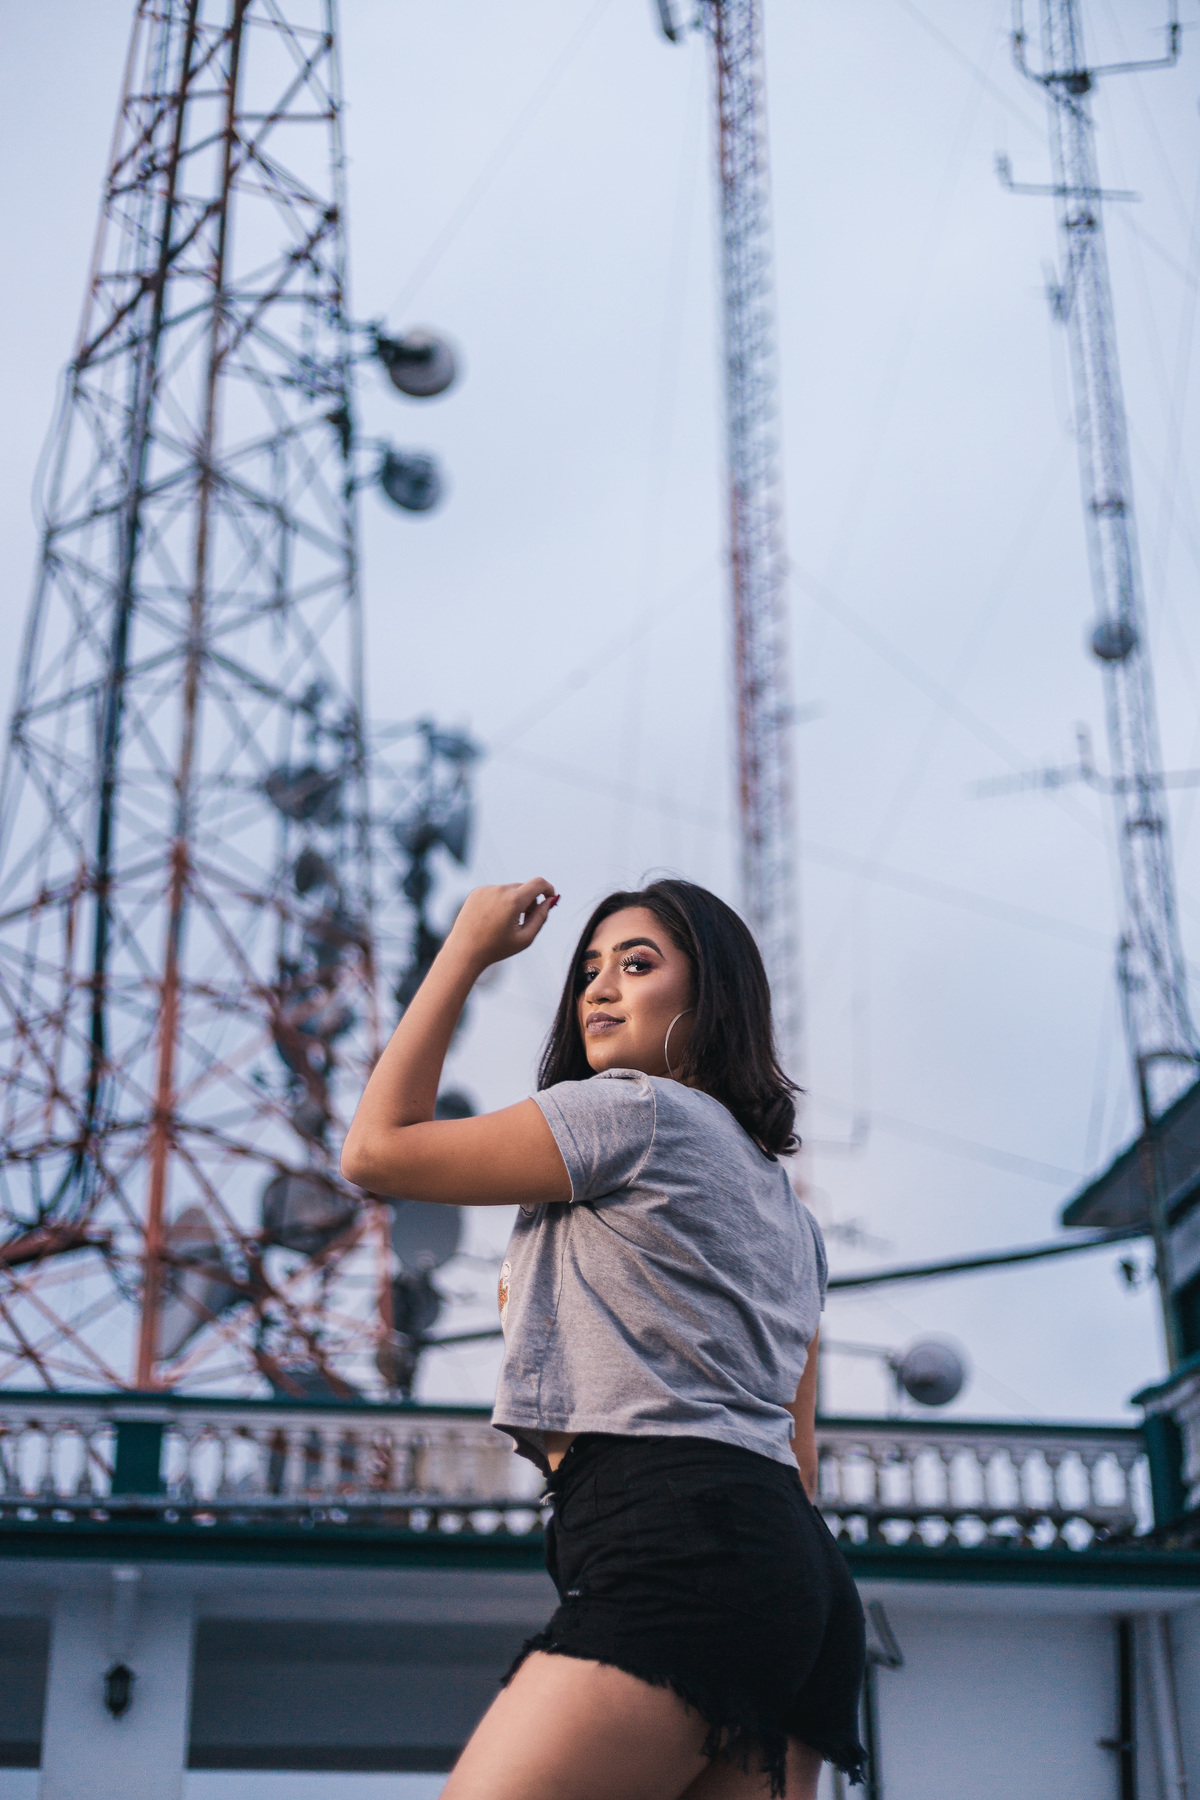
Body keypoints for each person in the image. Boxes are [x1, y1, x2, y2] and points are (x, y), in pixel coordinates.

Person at [342, 875, 867, 1800]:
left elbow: (377, 1150)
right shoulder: (794, 1220)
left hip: (672, 1539)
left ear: (713, 1001)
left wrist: (465, 947)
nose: (599, 987)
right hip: (799, 1584)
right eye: (589, 968)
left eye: (638, 964)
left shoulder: (628, 1110)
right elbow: (798, 1455)